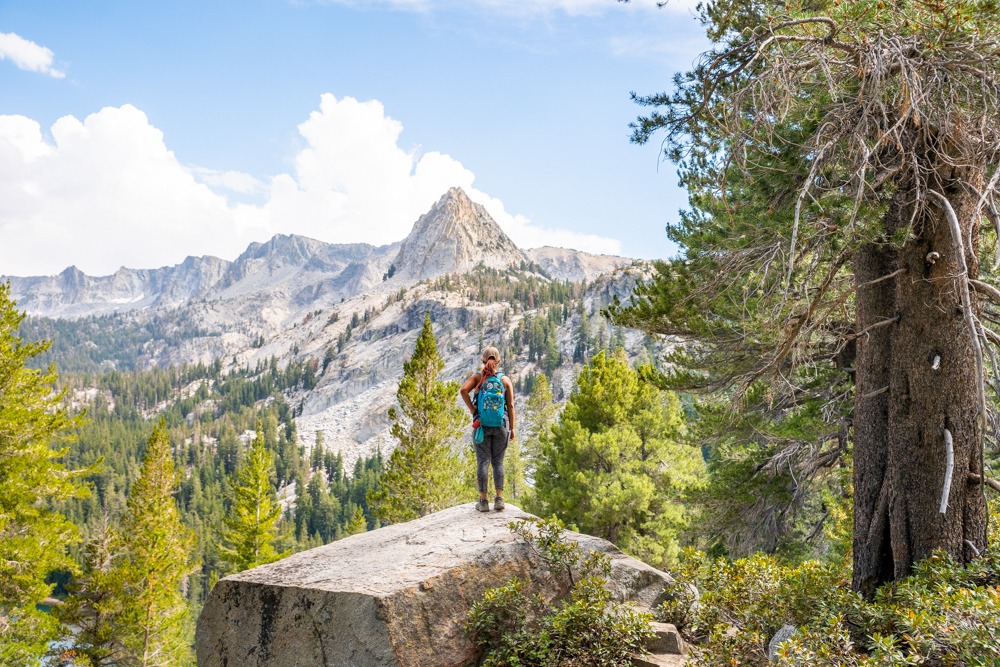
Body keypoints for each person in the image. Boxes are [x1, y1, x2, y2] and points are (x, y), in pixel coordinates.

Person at [460, 346, 515, 512]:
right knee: (498, 462)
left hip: (481, 425)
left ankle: (483, 502)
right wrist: (512, 428)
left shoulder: (478, 378)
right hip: (501, 425)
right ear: (498, 361)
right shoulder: (504, 380)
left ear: (483, 360)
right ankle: (499, 499)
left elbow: (463, 391)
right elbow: (511, 405)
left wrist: (472, 409)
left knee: (483, 461)